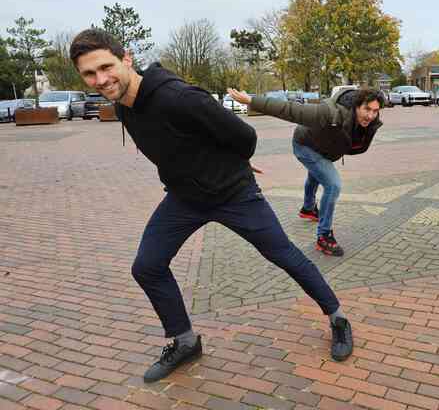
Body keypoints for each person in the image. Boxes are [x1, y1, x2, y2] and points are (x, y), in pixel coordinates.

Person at [69, 29, 353, 383]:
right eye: (89, 74)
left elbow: (244, 138)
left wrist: (231, 164)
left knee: (284, 254)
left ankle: (338, 318)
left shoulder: (179, 97)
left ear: (126, 59)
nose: (100, 79)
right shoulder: (125, 106)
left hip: (234, 194)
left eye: (105, 67)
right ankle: (185, 341)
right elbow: (180, 144)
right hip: (184, 199)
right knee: (147, 266)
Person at [227, 87, 384, 257]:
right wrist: (252, 101)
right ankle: (324, 237)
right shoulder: (330, 113)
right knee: (333, 185)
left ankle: (308, 209)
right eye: (367, 109)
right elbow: (291, 110)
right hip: (304, 145)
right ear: (356, 106)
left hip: (323, 149)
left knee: (316, 174)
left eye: (375, 111)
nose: (370, 116)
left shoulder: (369, 122)